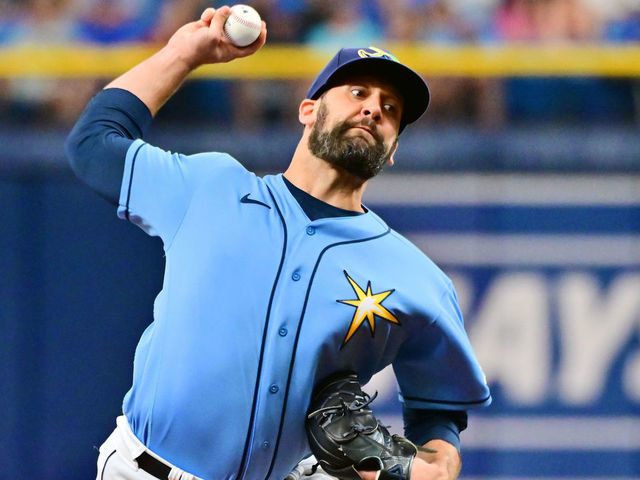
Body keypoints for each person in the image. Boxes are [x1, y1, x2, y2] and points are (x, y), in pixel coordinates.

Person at [65, 6, 490, 480]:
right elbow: (93, 145)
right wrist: (183, 53)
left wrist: (437, 465)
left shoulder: (418, 280)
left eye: (391, 109)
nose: (373, 108)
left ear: (392, 151)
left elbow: (440, 410)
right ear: (309, 110)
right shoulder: (211, 187)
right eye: (357, 92)